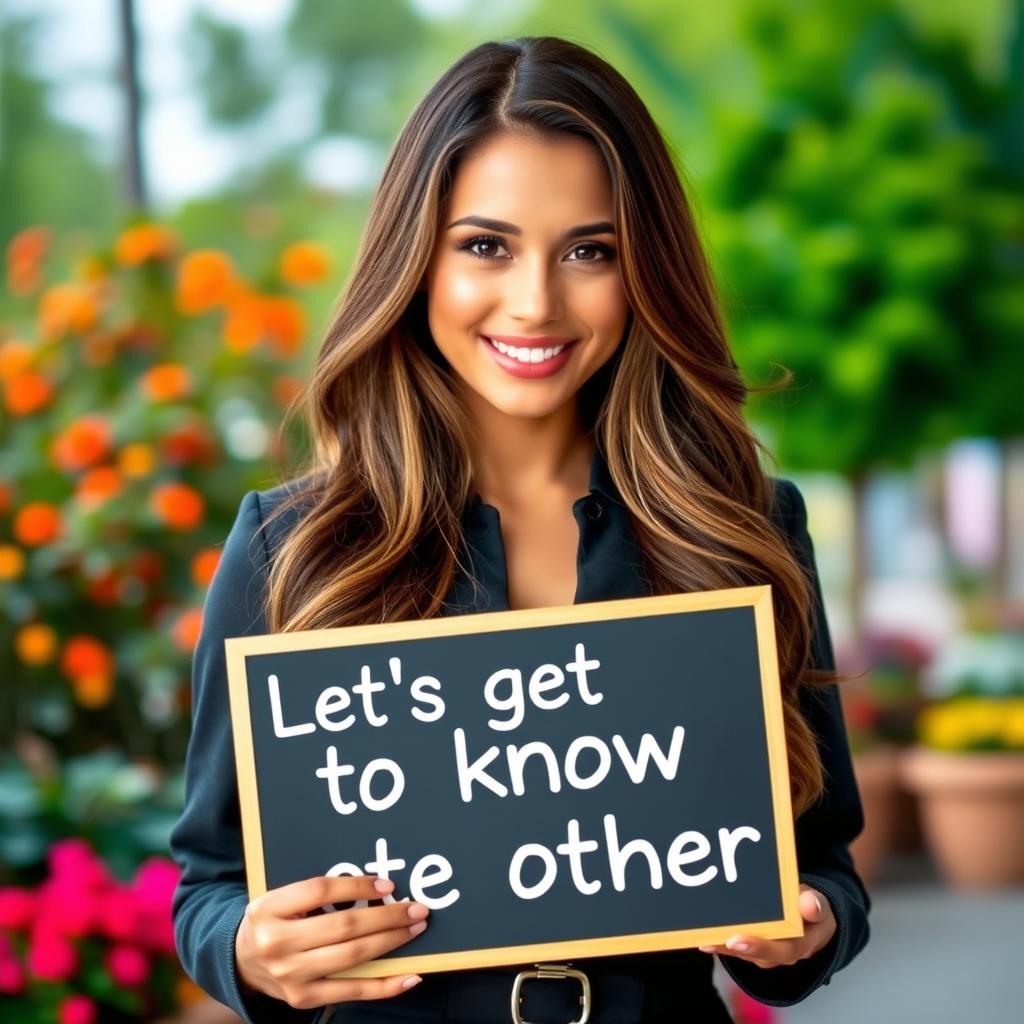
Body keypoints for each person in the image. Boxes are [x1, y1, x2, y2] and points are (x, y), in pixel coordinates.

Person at [170, 35, 870, 1024]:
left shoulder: (743, 527)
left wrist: (804, 929)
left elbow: (825, 869)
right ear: (417, 260)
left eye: (591, 250)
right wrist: (250, 948)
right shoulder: (297, 545)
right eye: (485, 245)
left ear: (645, 270)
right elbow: (209, 884)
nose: (536, 301)